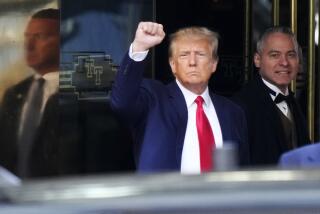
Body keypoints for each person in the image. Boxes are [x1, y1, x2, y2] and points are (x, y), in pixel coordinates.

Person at [111, 22, 249, 174]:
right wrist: (139, 47)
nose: (192, 62)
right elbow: (122, 103)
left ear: (214, 64)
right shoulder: (154, 98)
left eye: (200, 54)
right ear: (173, 65)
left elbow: (241, 169)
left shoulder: (232, 112)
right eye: (184, 55)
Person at [0, 9, 83, 178]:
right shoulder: (14, 94)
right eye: (27, 37)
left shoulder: (81, 92)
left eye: (39, 37)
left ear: (64, 42)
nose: (28, 46)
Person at [232, 26, 310, 166]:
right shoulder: (240, 107)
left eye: (291, 55)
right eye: (275, 55)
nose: (284, 62)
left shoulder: (295, 102)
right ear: (257, 60)